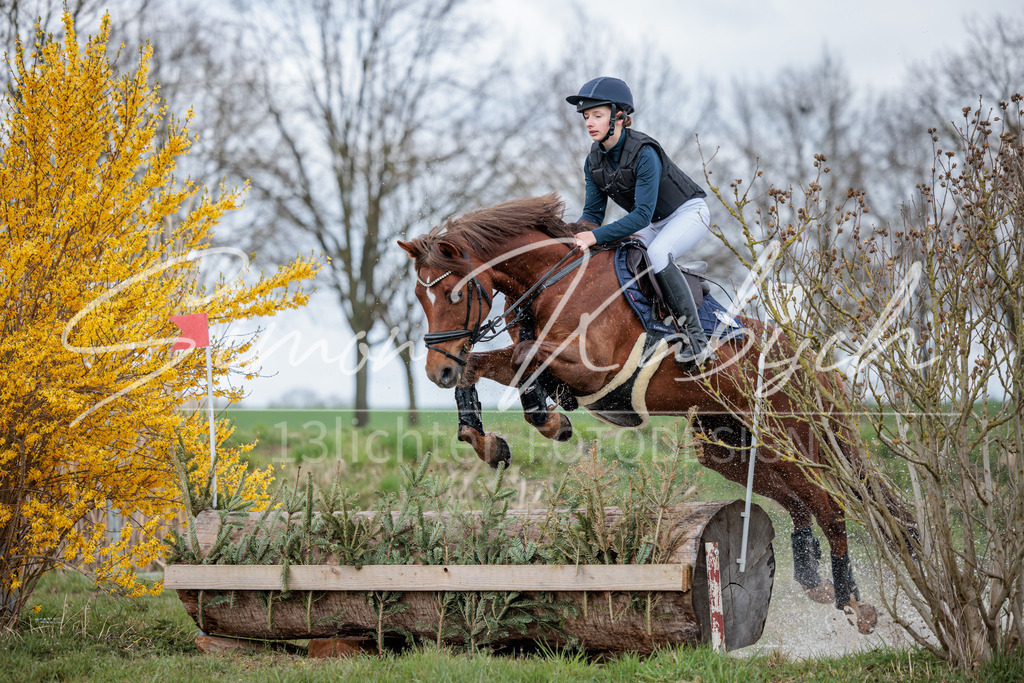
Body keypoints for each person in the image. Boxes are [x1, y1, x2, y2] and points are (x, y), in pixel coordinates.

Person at [566, 76, 713, 367]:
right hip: (653, 220)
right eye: (586, 116)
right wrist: (574, 236)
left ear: (619, 116)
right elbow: (593, 216)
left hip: (688, 213)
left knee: (658, 253)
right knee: (619, 256)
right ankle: (649, 331)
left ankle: (697, 341)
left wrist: (595, 236)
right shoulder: (593, 161)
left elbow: (642, 215)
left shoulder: (645, 152)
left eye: (597, 115)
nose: (589, 122)